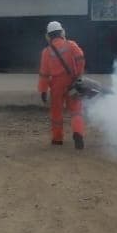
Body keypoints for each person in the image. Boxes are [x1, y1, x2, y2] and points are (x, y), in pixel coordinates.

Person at [37, 20, 86, 149]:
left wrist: (43, 90)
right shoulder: (71, 45)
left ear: (49, 35)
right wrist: (79, 75)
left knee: (56, 112)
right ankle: (78, 133)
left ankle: (57, 139)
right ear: (61, 32)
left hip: (56, 85)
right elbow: (80, 57)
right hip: (72, 82)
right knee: (76, 110)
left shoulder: (46, 52)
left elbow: (44, 74)